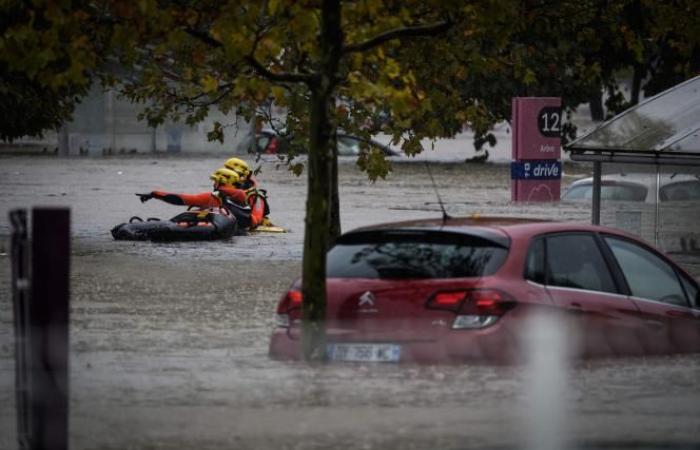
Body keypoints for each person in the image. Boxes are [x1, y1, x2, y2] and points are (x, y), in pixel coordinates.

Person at [136, 167, 269, 230]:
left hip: (225, 230)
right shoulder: (245, 197)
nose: (213, 184)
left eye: (216, 181)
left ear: (222, 182)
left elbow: (180, 199)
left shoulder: (215, 197)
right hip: (239, 231)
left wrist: (155, 194)